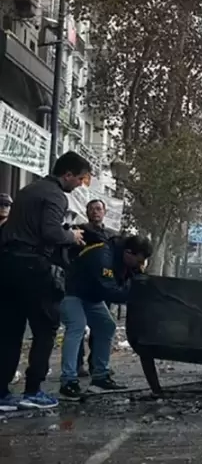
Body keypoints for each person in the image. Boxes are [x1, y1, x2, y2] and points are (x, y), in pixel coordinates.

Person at [0, 152, 91, 411]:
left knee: (9, 331)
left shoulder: (28, 190)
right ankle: (33, 391)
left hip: (8, 264)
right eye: (80, 179)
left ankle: (2, 393)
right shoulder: (56, 195)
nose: (80, 184)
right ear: (68, 174)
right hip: (34, 267)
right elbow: (50, 232)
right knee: (45, 329)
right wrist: (72, 236)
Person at [59, 233, 152, 400]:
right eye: (138, 261)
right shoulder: (102, 256)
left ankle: (100, 376)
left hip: (91, 296)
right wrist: (134, 292)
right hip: (71, 292)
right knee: (76, 326)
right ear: (128, 253)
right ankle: (68, 380)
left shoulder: (124, 259)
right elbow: (111, 291)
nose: (139, 265)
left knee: (106, 326)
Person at [74, 200, 113, 379]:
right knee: (78, 327)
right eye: (91, 209)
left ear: (104, 212)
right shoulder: (80, 232)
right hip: (82, 286)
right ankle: (77, 365)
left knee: (101, 328)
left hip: (103, 286)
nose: (95, 212)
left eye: (98, 209)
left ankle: (97, 364)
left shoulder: (110, 235)